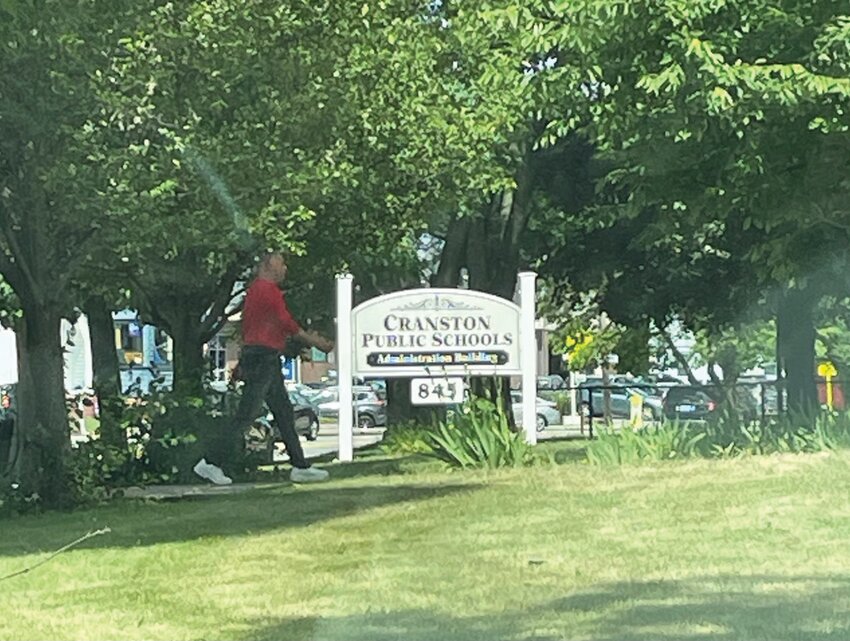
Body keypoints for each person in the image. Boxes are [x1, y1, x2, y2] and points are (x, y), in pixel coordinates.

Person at [194, 251, 335, 485]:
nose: (285, 268)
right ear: (268, 266)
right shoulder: (267, 290)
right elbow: (286, 323)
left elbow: (256, 328)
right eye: (281, 263)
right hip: (263, 357)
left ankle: (300, 466)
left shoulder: (256, 291)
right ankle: (210, 462)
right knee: (247, 414)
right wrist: (317, 342)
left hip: (263, 355)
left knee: (283, 413)